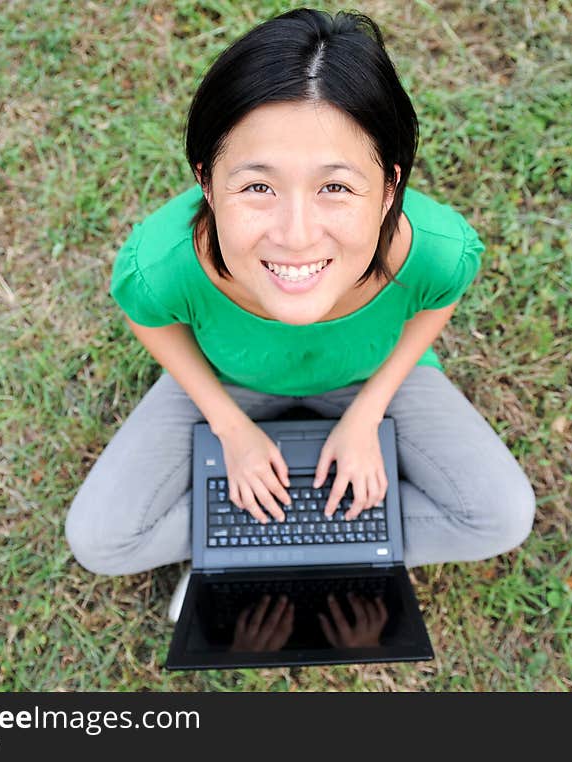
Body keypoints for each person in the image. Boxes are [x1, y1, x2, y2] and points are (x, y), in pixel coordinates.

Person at [65, 9, 535, 594]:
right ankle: (295, 544)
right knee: (101, 539)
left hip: (369, 373)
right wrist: (229, 427)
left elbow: (439, 303)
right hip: (230, 375)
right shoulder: (160, 263)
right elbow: (149, 320)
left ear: (389, 190)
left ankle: (271, 548)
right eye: (258, 186)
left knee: (501, 516)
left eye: (335, 187)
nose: (296, 235)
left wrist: (368, 411)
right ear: (207, 183)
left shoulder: (438, 251)